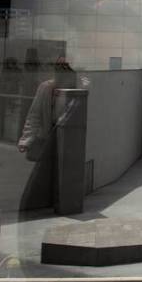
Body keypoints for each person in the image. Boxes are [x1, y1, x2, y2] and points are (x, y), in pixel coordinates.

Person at [17, 57, 90, 211]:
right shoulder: (46, 88)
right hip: (48, 136)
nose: (62, 74)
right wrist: (26, 139)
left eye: (66, 69)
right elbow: (35, 114)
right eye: (60, 70)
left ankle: (58, 202)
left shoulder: (78, 88)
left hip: (68, 138)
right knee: (45, 172)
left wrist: (85, 87)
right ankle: (47, 201)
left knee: (63, 173)